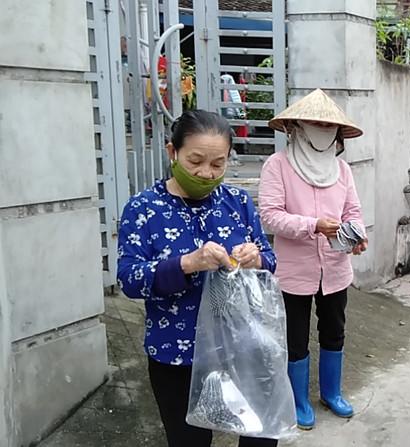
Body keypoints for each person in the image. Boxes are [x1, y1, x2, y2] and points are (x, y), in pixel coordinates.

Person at [117, 110, 278, 447]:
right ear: (171, 152)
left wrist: (257, 258)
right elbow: (130, 279)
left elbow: (270, 260)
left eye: (217, 164)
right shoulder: (144, 208)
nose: (206, 173)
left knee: (260, 436)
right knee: (188, 440)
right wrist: (187, 263)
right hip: (177, 354)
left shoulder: (237, 202)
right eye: (195, 161)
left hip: (242, 345)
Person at [259, 89, 368, 430]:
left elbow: (352, 212)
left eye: (328, 124)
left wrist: (357, 236)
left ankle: (331, 393)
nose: (322, 128)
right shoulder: (277, 165)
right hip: (294, 270)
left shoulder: (342, 169)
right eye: (315, 122)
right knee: (295, 336)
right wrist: (313, 226)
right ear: (297, 126)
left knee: (334, 330)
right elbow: (270, 216)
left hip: (335, 269)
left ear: (338, 133)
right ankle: (298, 399)